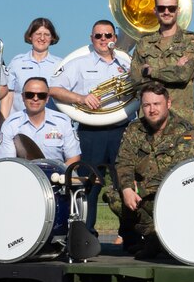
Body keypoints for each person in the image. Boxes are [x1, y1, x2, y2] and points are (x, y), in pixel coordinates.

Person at [49, 19, 133, 200]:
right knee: (89, 186)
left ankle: (129, 229)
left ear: (115, 38)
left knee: (125, 182)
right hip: (91, 132)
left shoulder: (127, 64)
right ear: (91, 38)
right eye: (98, 36)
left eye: (108, 35)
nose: (103, 39)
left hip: (123, 129)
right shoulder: (79, 63)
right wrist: (81, 98)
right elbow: (54, 89)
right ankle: (87, 228)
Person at [114, 83, 194, 251]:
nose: (151, 109)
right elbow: (124, 162)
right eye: (146, 105)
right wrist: (127, 188)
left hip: (175, 196)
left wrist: (141, 190)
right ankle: (151, 238)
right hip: (144, 197)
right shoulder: (134, 129)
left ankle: (161, 241)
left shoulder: (184, 131)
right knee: (114, 195)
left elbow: (177, 172)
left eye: (156, 104)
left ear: (168, 104)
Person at [132, 0, 194, 131]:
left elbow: (183, 74)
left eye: (171, 8)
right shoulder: (144, 42)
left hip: (181, 121)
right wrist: (173, 69)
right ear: (155, 11)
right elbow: (135, 79)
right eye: (162, 8)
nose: (166, 12)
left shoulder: (191, 40)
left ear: (178, 10)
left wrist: (151, 71)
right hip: (149, 121)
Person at [0, 76, 83, 169]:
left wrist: (56, 175)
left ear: (47, 98)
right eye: (30, 95)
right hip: (23, 177)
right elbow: (7, 163)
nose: (35, 98)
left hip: (57, 178)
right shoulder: (11, 124)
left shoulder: (63, 122)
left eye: (41, 95)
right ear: (23, 97)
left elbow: (74, 158)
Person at [0, 18, 63, 120]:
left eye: (46, 34)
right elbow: (8, 96)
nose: (42, 38)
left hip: (51, 127)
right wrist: (2, 126)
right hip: (19, 126)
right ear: (30, 36)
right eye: (38, 34)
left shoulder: (61, 65)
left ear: (52, 38)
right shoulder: (17, 63)